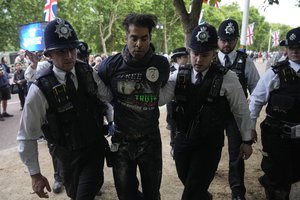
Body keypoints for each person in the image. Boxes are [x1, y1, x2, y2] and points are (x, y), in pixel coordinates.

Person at [17, 18, 112, 200]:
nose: (68, 56)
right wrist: (35, 174)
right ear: (49, 55)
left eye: (71, 49)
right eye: (61, 51)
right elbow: (26, 135)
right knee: (75, 193)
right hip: (68, 156)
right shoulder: (39, 89)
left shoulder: (87, 72)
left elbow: (107, 97)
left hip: (95, 150)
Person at [159, 22, 253, 200]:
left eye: (204, 55)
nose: (198, 60)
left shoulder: (228, 78)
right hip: (183, 141)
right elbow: (161, 99)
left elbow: (241, 111)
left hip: (209, 144)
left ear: (213, 54)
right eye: (195, 54)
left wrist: (247, 140)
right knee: (189, 182)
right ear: (189, 52)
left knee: (192, 191)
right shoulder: (178, 74)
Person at [97, 13, 170, 200]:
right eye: (134, 38)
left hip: (151, 140)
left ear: (150, 38)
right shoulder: (109, 65)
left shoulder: (161, 64)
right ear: (126, 37)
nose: (139, 44)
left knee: (152, 193)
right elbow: (99, 95)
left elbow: (162, 92)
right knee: (125, 194)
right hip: (121, 141)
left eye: (144, 39)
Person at [249, 27, 300, 200]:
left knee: (294, 174)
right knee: (279, 182)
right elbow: (256, 100)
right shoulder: (275, 73)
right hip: (277, 136)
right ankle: (272, 184)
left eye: (299, 48)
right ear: (286, 49)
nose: (295, 51)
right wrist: (250, 127)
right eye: (292, 48)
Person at [216, 19, 260, 200]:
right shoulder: (209, 59)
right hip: (214, 115)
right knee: (210, 150)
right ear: (218, 40)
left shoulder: (245, 61)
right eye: (224, 40)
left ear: (236, 40)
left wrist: (249, 122)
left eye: (231, 40)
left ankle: (237, 191)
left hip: (236, 116)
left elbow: (257, 90)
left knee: (236, 154)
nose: (227, 44)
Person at [166, 47, 189, 157]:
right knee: (174, 123)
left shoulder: (187, 70)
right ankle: (174, 146)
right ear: (177, 58)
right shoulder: (172, 71)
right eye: (184, 57)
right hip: (174, 102)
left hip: (184, 102)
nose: (187, 59)